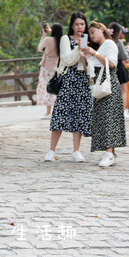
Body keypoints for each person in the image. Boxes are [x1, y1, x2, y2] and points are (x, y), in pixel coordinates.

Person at [45, 12, 92, 162]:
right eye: (77, 24)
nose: (80, 27)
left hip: (82, 81)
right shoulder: (66, 39)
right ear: (72, 25)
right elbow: (67, 59)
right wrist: (78, 50)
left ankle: (76, 151)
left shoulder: (87, 40)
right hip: (68, 79)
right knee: (60, 113)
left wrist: (84, 56)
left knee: (79, 115)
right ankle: (51, 150)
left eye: (82, 24)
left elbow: (88, 67)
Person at [81, 22, 126, 166]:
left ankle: (109, 153)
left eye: (94, 32)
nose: (92, 35)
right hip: (100, 85)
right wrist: (85, 54)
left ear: (102, 30)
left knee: (109, 117)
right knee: (102, 117)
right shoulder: (99, 48)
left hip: (109, 84)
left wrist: (94, 53)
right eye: (90, 33)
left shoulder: (109, 44)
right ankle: (110, 153)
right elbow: (89, 69)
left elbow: (112, 63)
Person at [36, 23, 62, 117]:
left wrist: (44, 35)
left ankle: (48, 112)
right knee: (56, 88)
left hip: (46, 67)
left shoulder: (47, 40)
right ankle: (57, 111)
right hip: (57, 68)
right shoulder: (61, 41)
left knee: (47, 88)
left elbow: (39, 49)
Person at [109, 23, 129, 108]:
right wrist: (128, 50)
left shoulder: (107, 40)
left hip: (109, 66)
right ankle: (122, 112)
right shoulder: (119, 42)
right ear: (118, 32)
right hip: (118, 66)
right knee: (123, 91)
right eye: (122, 32)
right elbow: (123, 56)